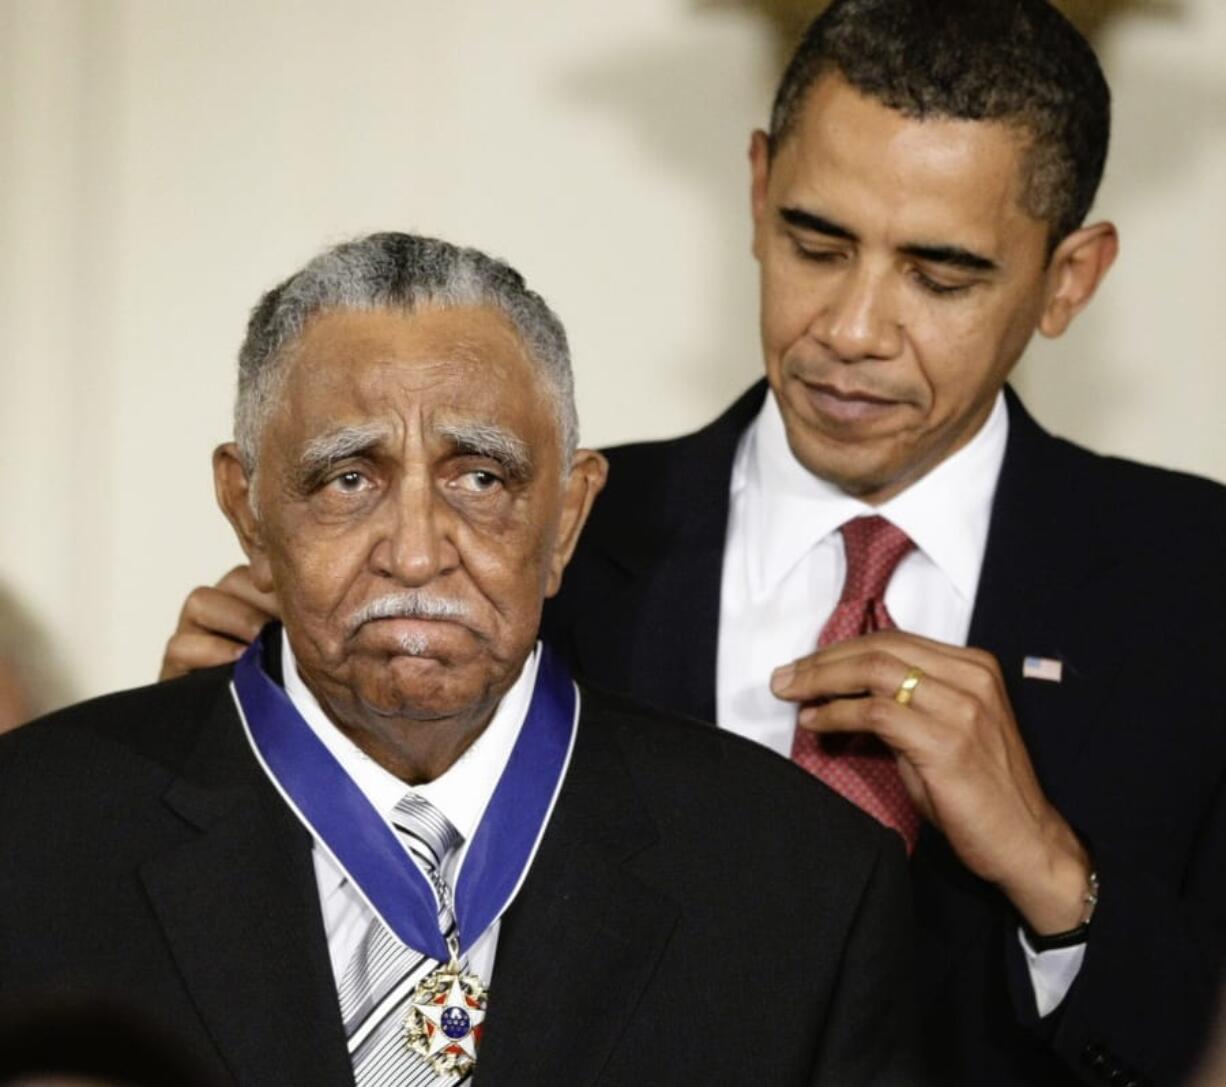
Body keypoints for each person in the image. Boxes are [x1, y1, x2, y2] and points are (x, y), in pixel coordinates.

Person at [161, 3, 1226, 1084]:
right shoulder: (523, 543)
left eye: (937, 276)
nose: (851, 329)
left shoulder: (1196, 586)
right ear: (758, 189)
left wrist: (1053, 874)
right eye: (817, 243)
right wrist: (237, 772)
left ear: (1068, 278)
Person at [0, 233, 917, 1086]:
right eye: (348, 477)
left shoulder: (801, 882)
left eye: (480, 477)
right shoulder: (29, 836)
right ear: (247, 509)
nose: (415, 551)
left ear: (567, 516)